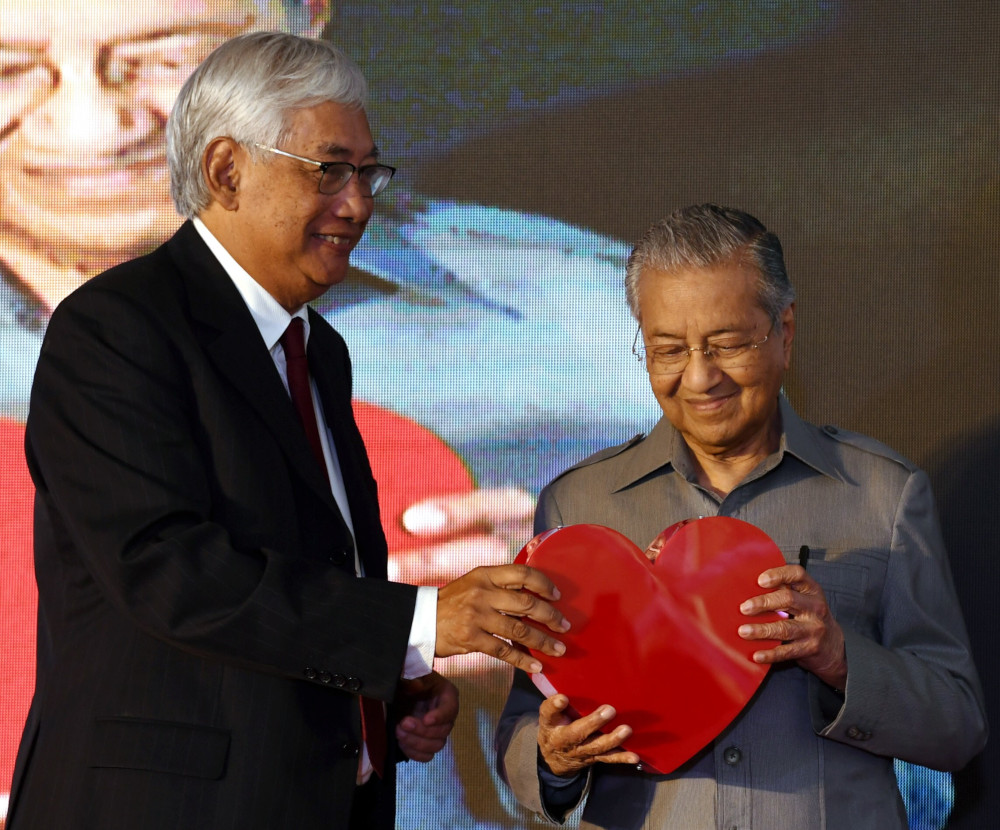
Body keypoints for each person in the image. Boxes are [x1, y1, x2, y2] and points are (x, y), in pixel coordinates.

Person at [6, 32, 573, 830]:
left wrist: (389, 684)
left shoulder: (319, 350)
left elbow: (301, 575)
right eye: (329, 170)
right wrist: (419, 622)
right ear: (227, 171)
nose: (358, 201)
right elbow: (167, 570)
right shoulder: (117, 326)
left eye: (367, 172)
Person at [495, 204, 987, 828]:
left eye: (727, 344)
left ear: (785, 331)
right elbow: (521, 724)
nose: (700, 378)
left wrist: (838, 657)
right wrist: (551, 760)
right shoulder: (576, 507)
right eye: (668, 350)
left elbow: (958, 726)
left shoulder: (883, 494)